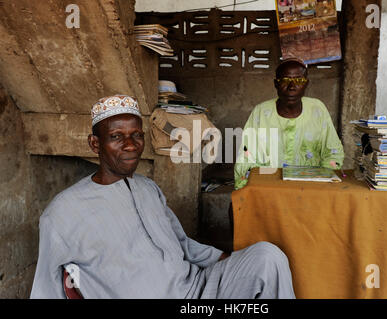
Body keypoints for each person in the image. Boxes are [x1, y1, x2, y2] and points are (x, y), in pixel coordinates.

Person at [30, 94, 295, 299]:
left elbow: (183, 244)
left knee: (267, 256)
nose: (131, 145)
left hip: (198, 289)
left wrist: (231, 263)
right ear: (95, 144)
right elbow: (46, 288)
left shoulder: (147, 187)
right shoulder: (63, 212)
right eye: (116, 137)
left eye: (136, 135)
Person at [234, 58, 344, 189]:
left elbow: (333, 152)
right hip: (269, 188)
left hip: (311, 187)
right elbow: (246, 157)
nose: (292, 86)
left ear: (306, 83)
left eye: (299, 80)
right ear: (276, 84)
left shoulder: (317, 110)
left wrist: (320, 182)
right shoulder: (261, 112)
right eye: (285, 80)